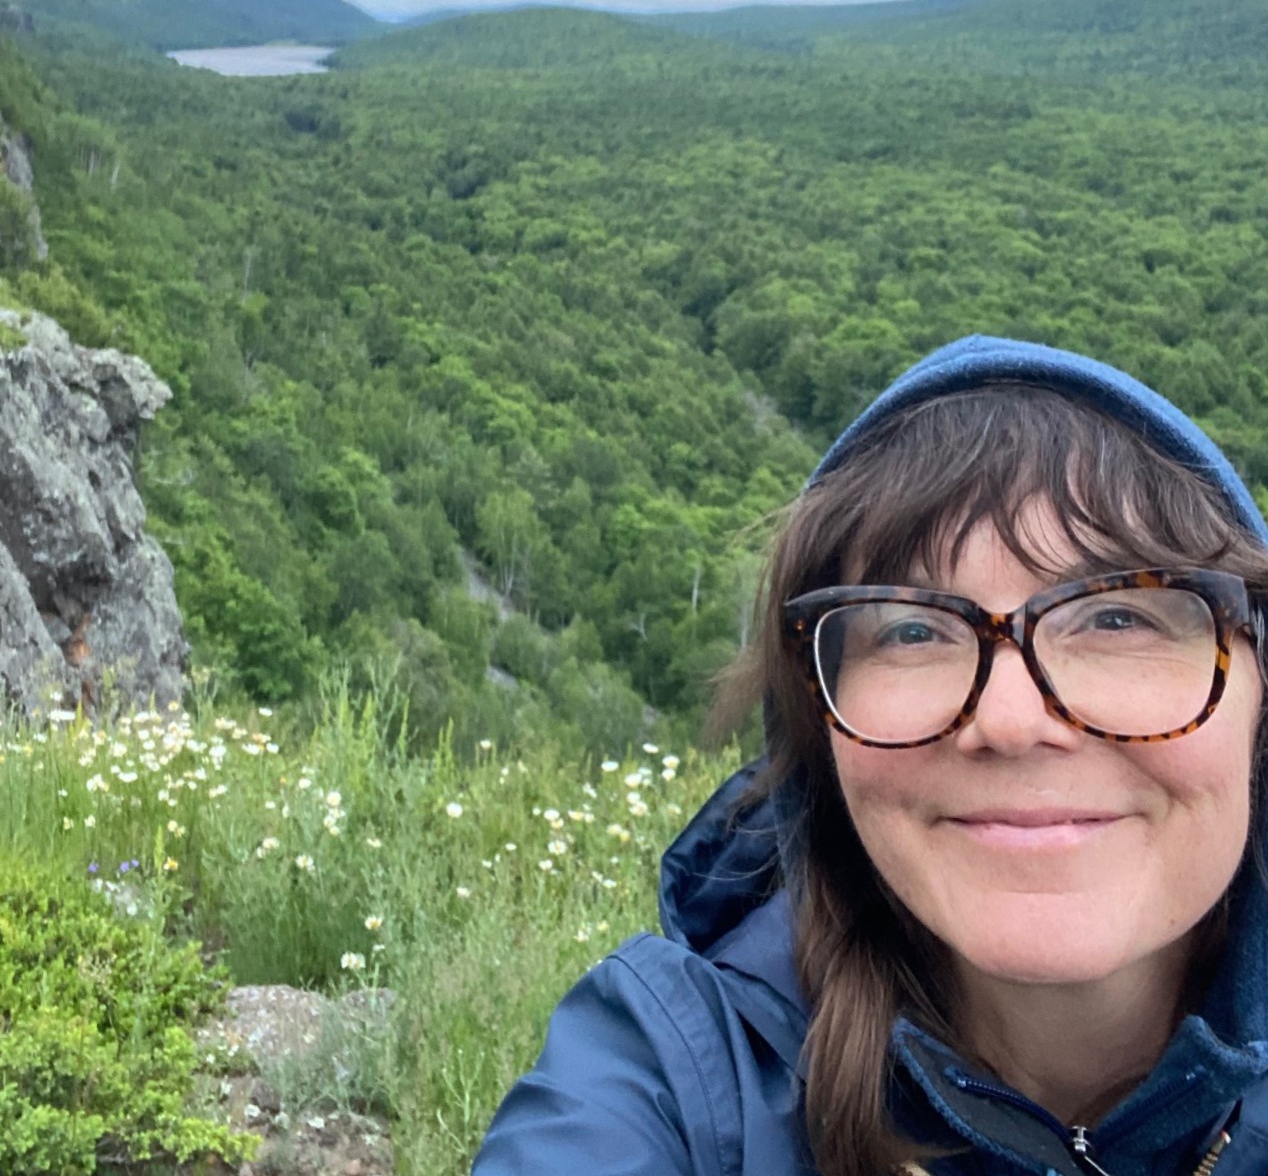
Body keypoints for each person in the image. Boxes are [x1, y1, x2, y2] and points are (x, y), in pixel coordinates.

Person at [472, 335, 1268, 1176]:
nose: (1009, 718)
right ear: (820, 724)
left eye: (1119, 618)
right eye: (913, 629)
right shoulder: (680, 1078)